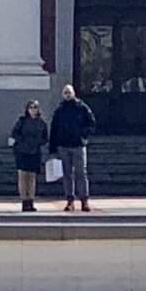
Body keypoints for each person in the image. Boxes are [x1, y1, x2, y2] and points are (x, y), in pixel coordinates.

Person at [49, 84, 96, 213]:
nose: (67, 95)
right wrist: (52, 147)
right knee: (67, 174)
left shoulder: (81, 107)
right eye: (65, 93)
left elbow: (91, 123)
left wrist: (83, 135)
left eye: (69, 92)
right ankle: (70, 200)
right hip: (63, 146)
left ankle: (84, 200)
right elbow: (54, 129)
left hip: (78, 145)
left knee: (81, 173)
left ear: (74, 93)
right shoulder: (60, 110)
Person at [10, 100, 50, 214]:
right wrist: (22, 142)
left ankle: (31, 201)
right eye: (31, 107)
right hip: (22, 152)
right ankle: (24, 201)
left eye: (35, 107)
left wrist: (37, 143)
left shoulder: (41, 123)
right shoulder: (22, 121)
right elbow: (15, 134)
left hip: (34, 152)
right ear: (27, 109)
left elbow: (44, 138)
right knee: (23, 177)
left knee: (32, 178)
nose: (33, 109)